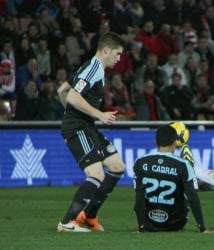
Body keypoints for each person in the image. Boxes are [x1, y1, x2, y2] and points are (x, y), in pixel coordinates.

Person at [56, 32, 126, 232]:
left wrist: (71, 115)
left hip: (85, 125)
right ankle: (67, 222)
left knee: (117, 166)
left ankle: (89, 217)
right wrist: (98, 114)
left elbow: (61, 90)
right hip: (79, 127)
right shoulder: (94, 68)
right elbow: (71, 96)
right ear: (106, 51)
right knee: (96, 174)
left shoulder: (89, 67)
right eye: (118, 54)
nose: (119, 59)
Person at [133, 125, 210, 233]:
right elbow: (193, 197)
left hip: (149, 224)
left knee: (143, 192)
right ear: (175, 142)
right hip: (176, 224)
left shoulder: (140, 162)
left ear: (155, 142)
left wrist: (141, 228)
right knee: (188, 189)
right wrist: (202, 228)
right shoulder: (182, 164)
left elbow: (139, 200)